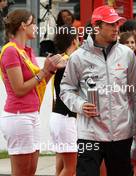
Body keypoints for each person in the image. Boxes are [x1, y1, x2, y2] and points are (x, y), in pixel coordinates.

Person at [60, 5, 136, 176]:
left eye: (117, 24)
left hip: (121, 134)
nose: (115, 28)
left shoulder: (127, 54)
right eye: (111, 24)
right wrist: (81, 105)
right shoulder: (78, 57)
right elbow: (66, 89)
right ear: (97, 26)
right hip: (89, 134)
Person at [0, 9, 63, 176]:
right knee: (22, 173)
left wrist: (50, 70)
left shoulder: (27, 51)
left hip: (30, 114)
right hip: (18, 115)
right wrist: (43, 71)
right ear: (23, 26)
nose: (36, 27)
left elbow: (39, 83)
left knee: (30, 171)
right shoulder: (10, 51)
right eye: (33, 23)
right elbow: (19, 89)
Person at [49, 25, 79, 176]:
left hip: (57, 117)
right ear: (74, 41)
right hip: (66, 119)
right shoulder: (71, 61)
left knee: (61, 168)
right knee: (70, 169)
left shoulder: (61, 60)